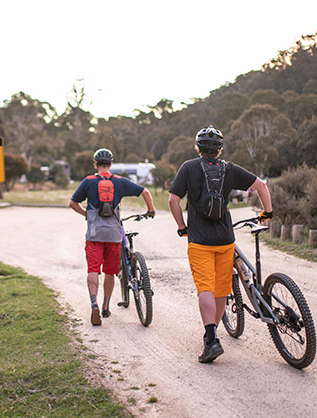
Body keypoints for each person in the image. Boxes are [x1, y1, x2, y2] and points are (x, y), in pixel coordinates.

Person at [168, 126, 273, 363]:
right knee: (221, 290)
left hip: (199, 239)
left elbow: (173, 200)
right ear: (220, 149)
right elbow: (262, 186)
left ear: (197, 148)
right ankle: (212, 333)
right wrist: (267, 212)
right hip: (226, 240)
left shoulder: (188, 167)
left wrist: (182, 226)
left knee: (205, 287)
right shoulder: (229, 169)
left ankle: (212, 338)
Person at [69, 148, 156, 326]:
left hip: (94, 235)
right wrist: (151, 210)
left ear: (95, 164)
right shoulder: (119, 182)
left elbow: (72, 203)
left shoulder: (89, 181)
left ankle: (93, 303)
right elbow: (145, 192)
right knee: (110, 271)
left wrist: (86, 214)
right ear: (111, 164)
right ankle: (106, 305)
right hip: (114, 236)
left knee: (93, 270)